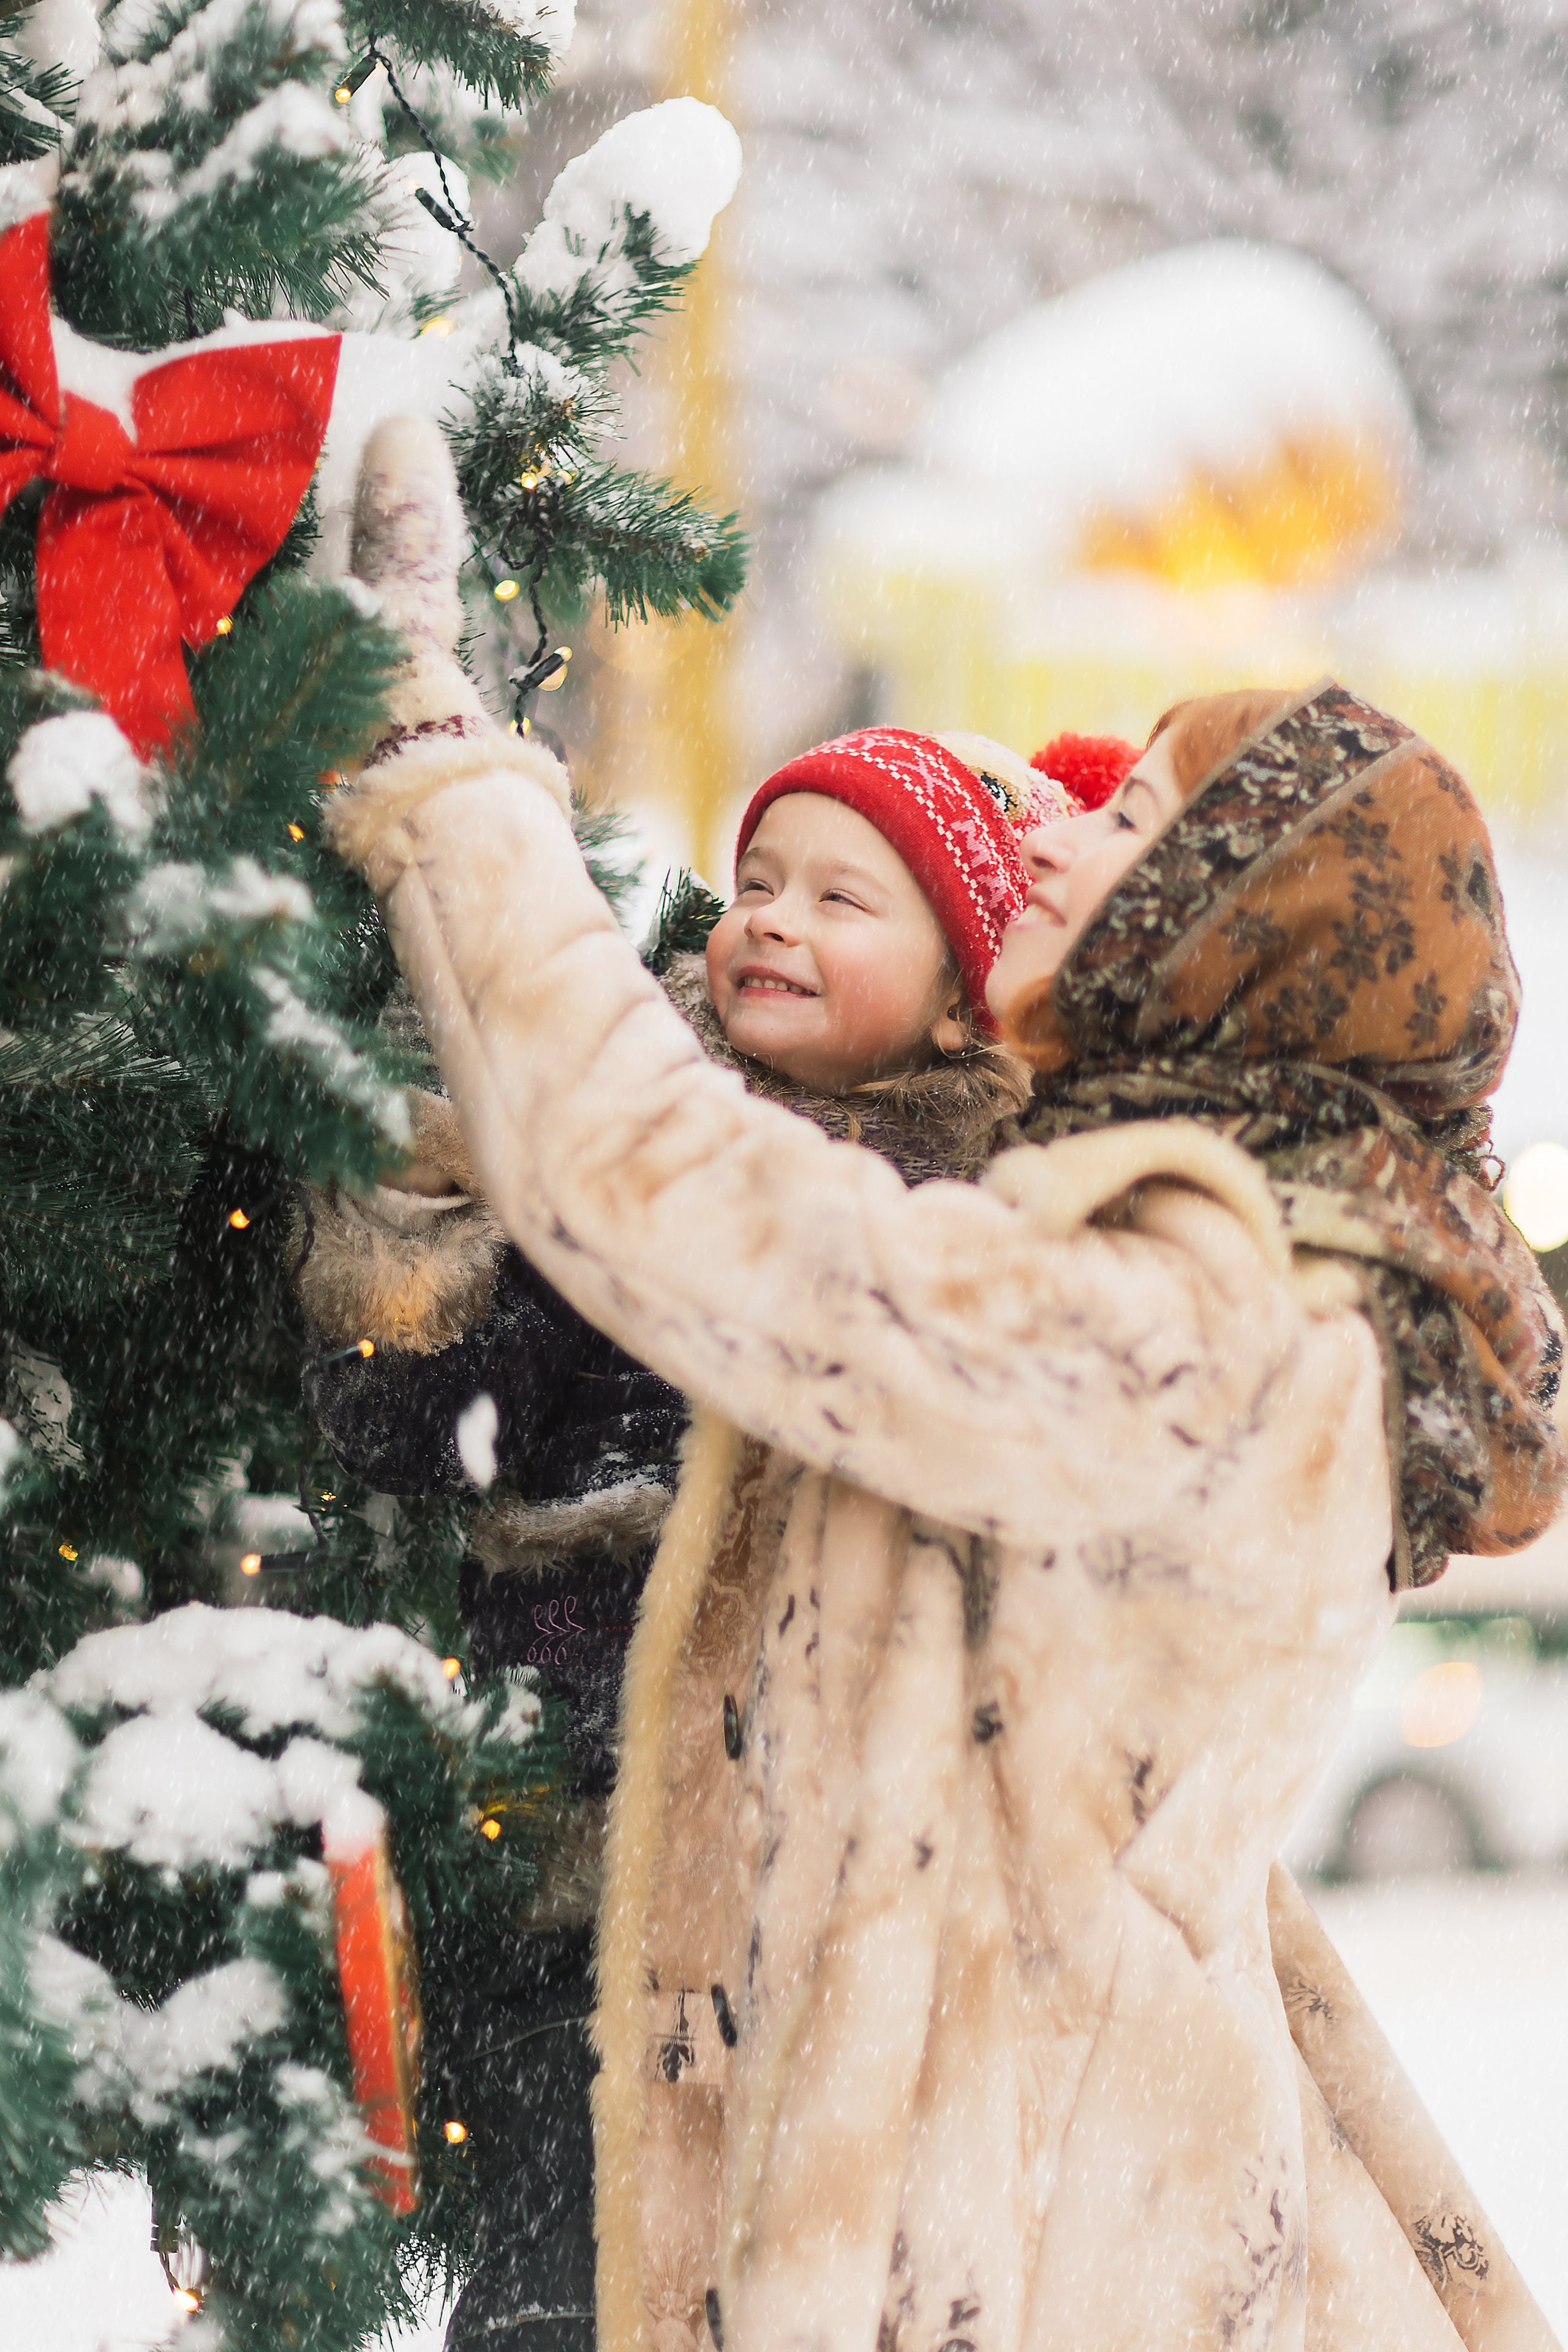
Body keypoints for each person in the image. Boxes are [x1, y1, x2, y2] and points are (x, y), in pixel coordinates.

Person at [328, 417, 1566, 2352]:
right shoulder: (1211, 1280)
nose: (1060, 823)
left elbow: (690, 1201)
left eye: (1133, 816)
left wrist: (434, 769)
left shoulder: (1195, 1321)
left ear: (1239, 933)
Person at [296, 463, 1074, 2346]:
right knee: (566, 2287)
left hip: (843, 1899)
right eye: (752, 884)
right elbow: (416, 1410)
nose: (768, 924)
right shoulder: (623, 1159)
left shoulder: (976, 1221)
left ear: (970, 990)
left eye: (842, 897)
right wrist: (426, 1176)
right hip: (574, 1868)